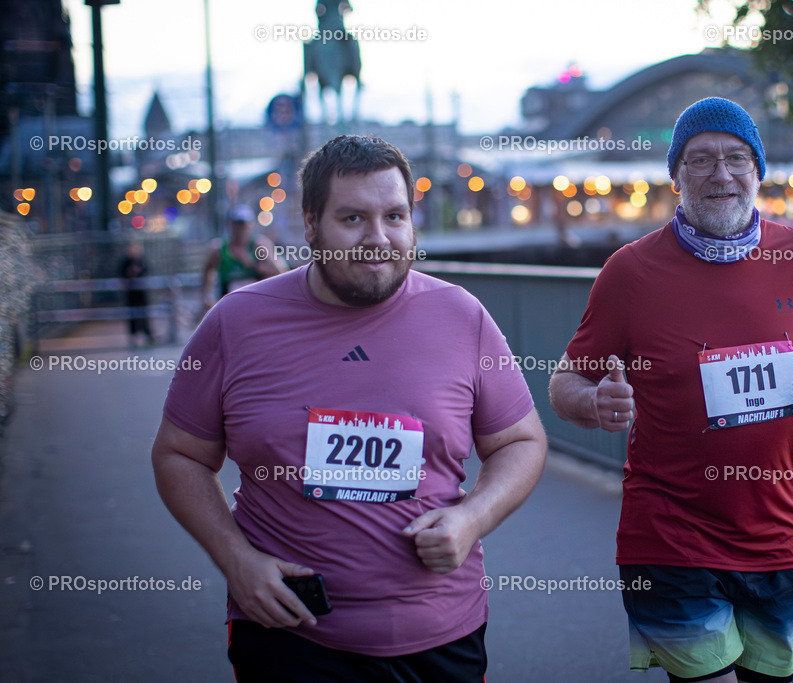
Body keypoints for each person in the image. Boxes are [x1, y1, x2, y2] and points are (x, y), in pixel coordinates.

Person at [152, 134, 546, 682]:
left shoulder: (462, 317)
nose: (378, 239)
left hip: (440, 635)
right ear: (311, 224)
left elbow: (521, 441)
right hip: (290, 635)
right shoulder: (236, 322)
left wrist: (472, 518)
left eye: (394, 216)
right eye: (354, 219)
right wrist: (235, 559)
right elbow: (179, 455)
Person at [548, 97, 793, 683]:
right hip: (670, 536)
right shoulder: (630, 273)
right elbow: (564, 381)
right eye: (701, 160)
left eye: (737, 158)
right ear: (676, 177)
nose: (721, 174)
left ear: (758, 171)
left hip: (775, 538)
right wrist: (593, 402)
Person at [201, 204, 287, 312]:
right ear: (230, 225)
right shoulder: (219, 249)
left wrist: (254, 266)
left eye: (243, 224)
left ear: (250, 225)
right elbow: (208, 272)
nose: (240, 229)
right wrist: (207, 296)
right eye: (237, 224)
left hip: (257, 306)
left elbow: (281, 272)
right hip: (229, 308)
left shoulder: (259, 246)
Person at [119, 241, 156, 347]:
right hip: (131, 293)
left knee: (144, 313)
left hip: (141, 292)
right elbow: (121, 273)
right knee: (132, 315)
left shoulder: (141, 260)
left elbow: (147, 270)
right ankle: (134, 335)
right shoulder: (125, 261)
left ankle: (147, 334)